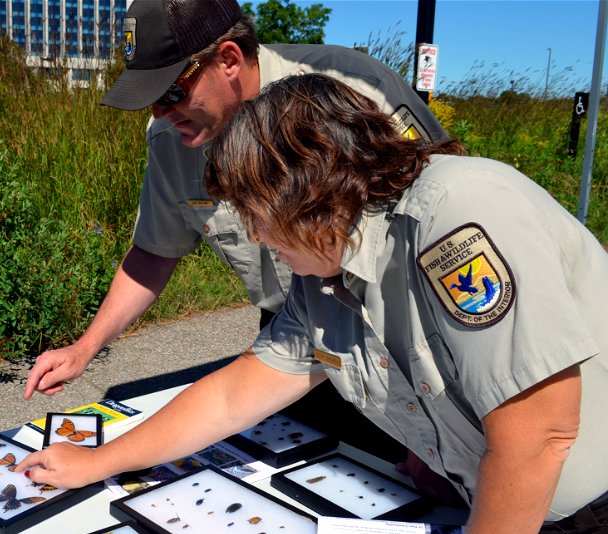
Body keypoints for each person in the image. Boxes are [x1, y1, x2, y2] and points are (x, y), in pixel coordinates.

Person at [16, 75, 608, 534]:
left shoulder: (458, 214)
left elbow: (539, 432)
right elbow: (236, 392)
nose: (250, 236)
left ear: (312, 196)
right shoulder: (324, 269)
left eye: (254, 213)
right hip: (521, 521)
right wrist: (99, 462)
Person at [25, 0, 445, 463]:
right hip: (293, 332)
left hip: (393, 338)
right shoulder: (173, 139)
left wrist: (435, 435)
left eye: (171, 91)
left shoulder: (353, 93)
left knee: (414, 490)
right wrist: (86, 347)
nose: (162, 113)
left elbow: (431, 244)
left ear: (227, 59)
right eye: (152, 99)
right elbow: (155, 251)